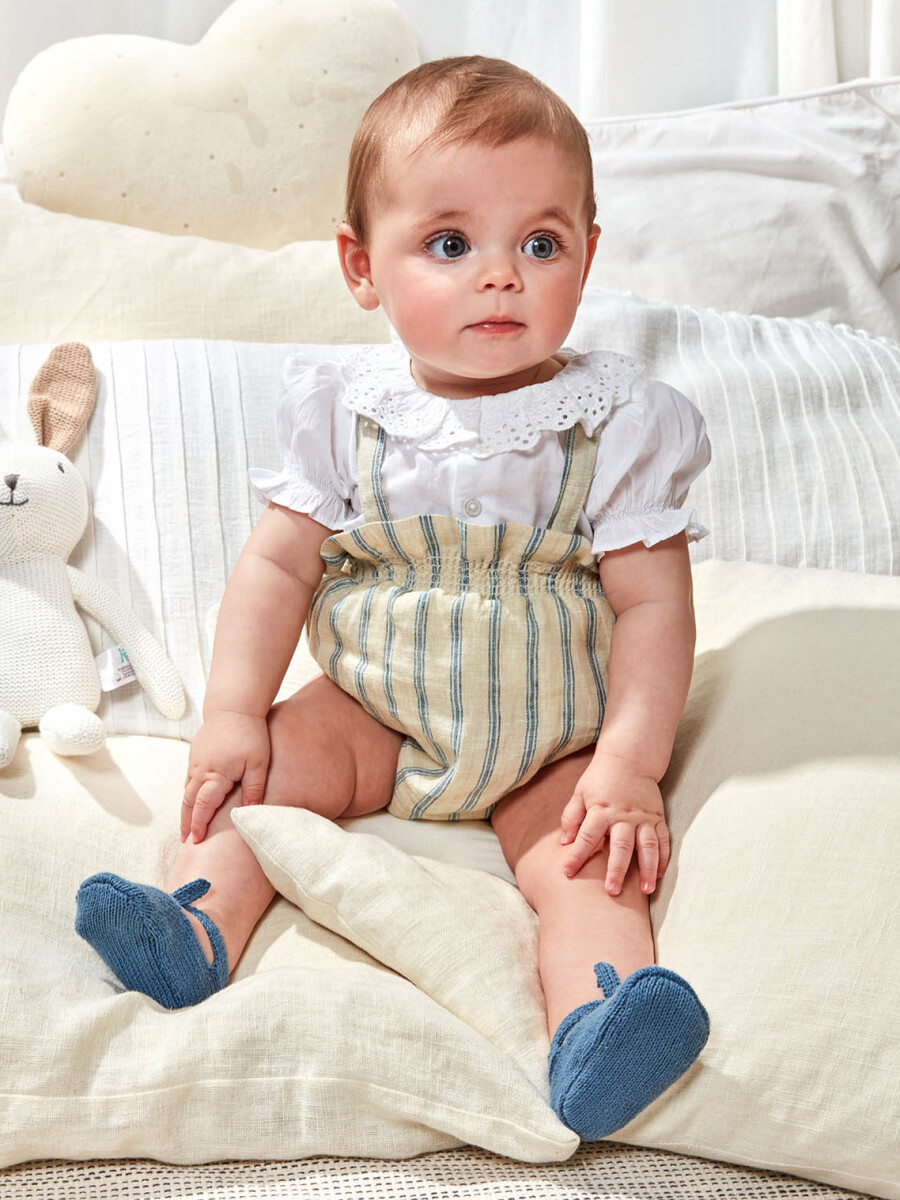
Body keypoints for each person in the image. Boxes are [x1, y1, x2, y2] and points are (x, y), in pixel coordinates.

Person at [76, 56, 712, 1141]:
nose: (501, 276)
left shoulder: (616, 424)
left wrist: (626, 765)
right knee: (261, 779)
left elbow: (654, 608)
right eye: (451, 244)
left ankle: (600, 1022)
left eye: (541, 244)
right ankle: (194, 925)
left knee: (587, 861)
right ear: (362, 266)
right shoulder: (343, 412)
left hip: (552, 735)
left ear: (588, 257)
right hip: (374, 711)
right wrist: (233, 714)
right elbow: (278, 567)